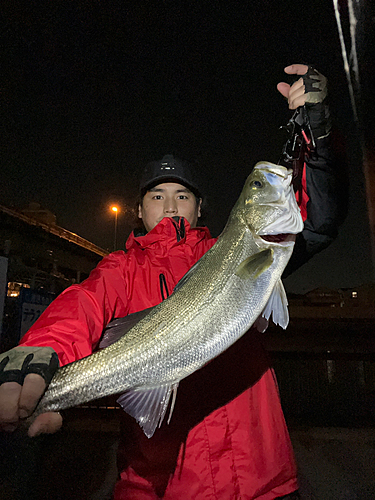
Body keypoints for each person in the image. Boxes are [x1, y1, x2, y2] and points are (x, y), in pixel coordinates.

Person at [0, 64, 341, 499]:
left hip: (262, 481)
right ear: (139, 211)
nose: (171, 205)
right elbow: (81, 305)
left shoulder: (236, 250)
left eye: (183, 195)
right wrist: (41, 349)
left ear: (200, 209)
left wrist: (317, 128)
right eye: (156, 196)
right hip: (160, 488)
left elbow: (321, 218)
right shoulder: (121, 269)